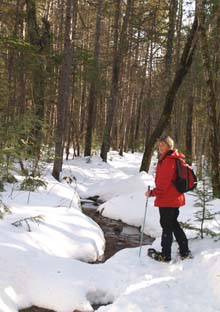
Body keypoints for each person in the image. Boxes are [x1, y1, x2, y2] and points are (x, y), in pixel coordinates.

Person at [145, 135, 190, 262]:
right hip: (173, 198)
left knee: (167, 226)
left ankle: (165, 255)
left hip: (168, 199)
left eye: (163, 144)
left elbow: (163, 184)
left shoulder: (169, 160)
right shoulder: (171, 158)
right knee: (173, 224)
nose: (160, 147)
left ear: (169, 146)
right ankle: (184, 250)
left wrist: (152, 193)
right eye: (159, 144)